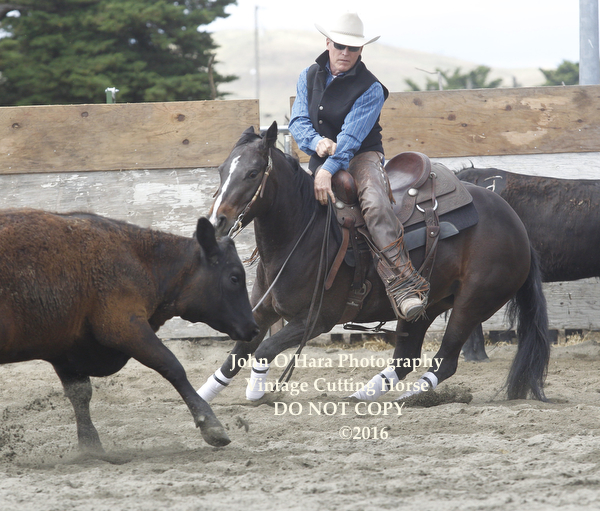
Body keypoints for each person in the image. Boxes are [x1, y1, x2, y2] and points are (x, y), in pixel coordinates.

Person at [288, 11, 429, 322]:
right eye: (339, 45)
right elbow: (297, 120)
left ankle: (405, 284)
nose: (345, 52)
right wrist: (315, 142)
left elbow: (351, 140)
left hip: (362, 156)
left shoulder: (371, 88)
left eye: (352, 48)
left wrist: (327, 169)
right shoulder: (308, 76)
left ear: (361, 50)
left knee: (376, 206)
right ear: (328, 43)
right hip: (323, 154)